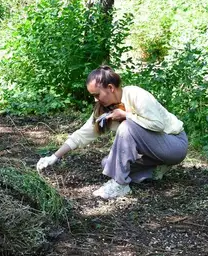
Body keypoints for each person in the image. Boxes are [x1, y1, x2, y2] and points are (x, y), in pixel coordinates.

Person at [36, 66, 188, 200]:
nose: (96, 100)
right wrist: (54, 156)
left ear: (110, 88)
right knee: (109, 164)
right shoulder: (105, 108)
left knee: (126, 127)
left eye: (97, 95)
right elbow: (82, 135)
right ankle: (154, 170)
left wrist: (125, 115)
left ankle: (120, 185)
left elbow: (158, 124)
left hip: (174, 144)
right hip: (154, 151)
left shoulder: (135, 94)